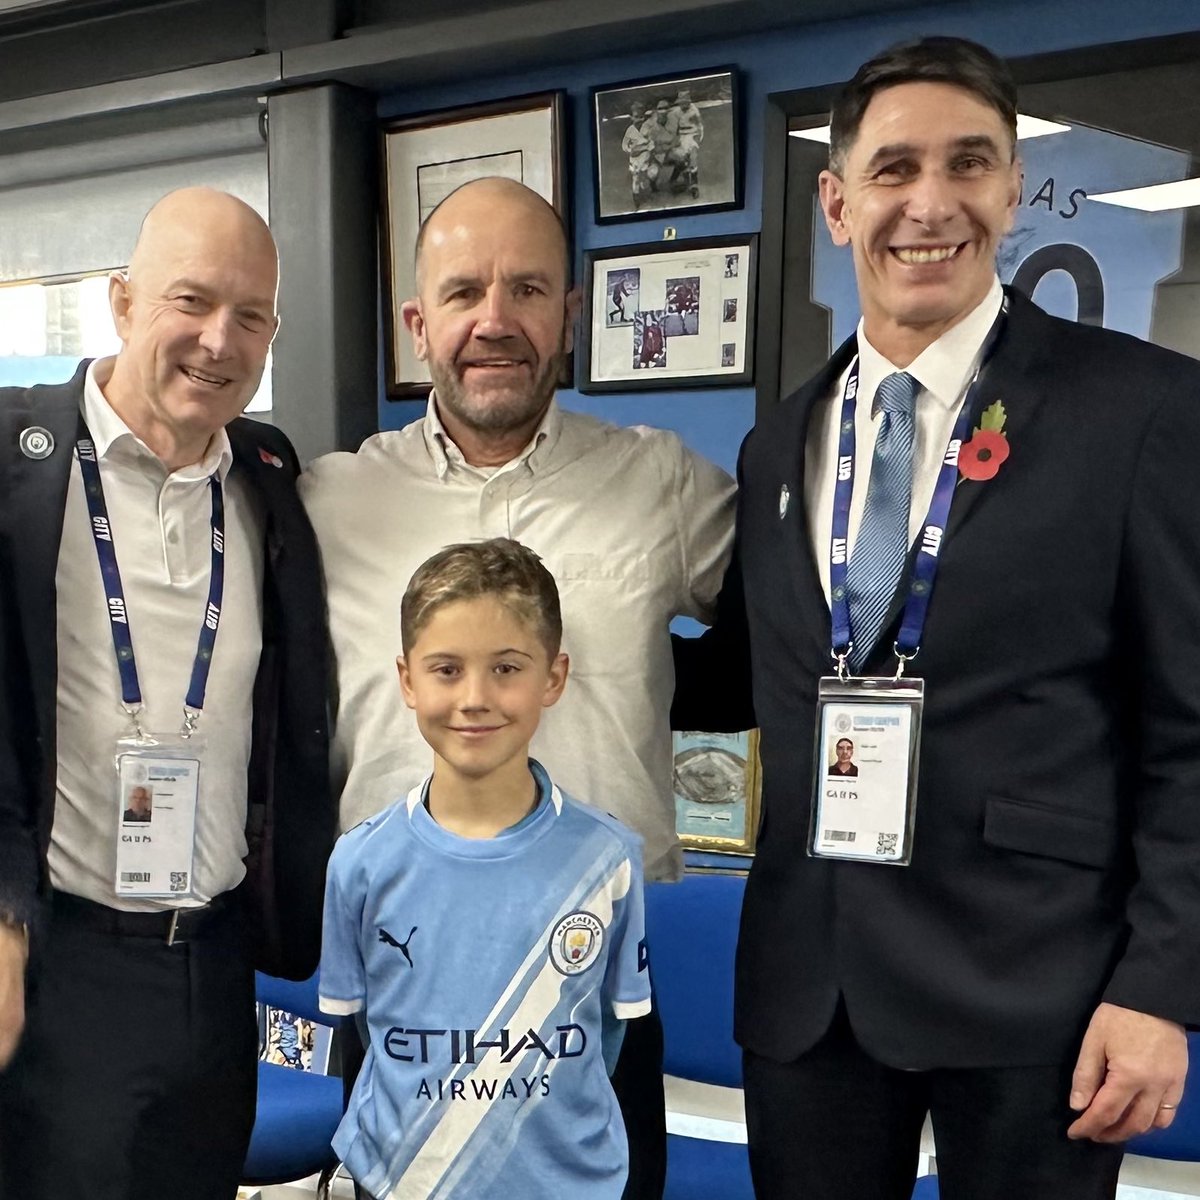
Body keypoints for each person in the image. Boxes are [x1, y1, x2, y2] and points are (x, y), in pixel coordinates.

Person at [673, 36, 1200, 1200]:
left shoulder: (1142, 413)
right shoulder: (781, 443)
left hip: (1038, 987)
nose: (930, 202)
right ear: (837, 201)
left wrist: (1161, 986)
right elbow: (749, 673)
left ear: (1012, 189)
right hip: (812, 990)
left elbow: (1189, 732)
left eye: (970, 164)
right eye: (895, 169)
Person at [300, 175, 735, 1200]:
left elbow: (812, 627)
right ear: (416, 325)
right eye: (462, 294)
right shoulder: (330, 502)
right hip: (401, 975)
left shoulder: (661, 483)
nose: (494, 321)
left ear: (570, 316)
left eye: (528, 290)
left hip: (593, 972)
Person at [0, 186, 334, 1200]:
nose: (217, 340)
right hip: (62, 966)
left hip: (218, 966)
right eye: (189, 301)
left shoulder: (269, 477)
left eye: (252, 315)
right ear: (120, 302)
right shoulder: (15, 465)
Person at [319, 538, 650, 1200]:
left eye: (506, 668)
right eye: (446, 669)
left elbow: (612, 1042)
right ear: (407, 680)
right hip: (402, 1183)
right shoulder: (360, 861)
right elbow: (366, 1038)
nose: (474, 698)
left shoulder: (607, 858)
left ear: (553, 678)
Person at [668, 88, 704, 198]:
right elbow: (672, 127)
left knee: (693, 158)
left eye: (685, 102)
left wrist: (698, 138)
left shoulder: (694, 111)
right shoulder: (676, 112)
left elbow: (700, 126)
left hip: (692, 136)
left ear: (689, 102)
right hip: (681, 137)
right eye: (681, 102)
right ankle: (674, 179)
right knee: (681, 159)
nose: (683, 104)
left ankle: (694, 184)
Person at [620, 100, 654, 210]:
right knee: (636, 178)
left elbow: (651, 143)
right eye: (636, 117)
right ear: (632, 117)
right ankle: (636, 198)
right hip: (635, 158)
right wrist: (632, 149)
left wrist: (644, 148)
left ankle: (646, 191)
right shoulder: (630, 130)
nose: (638, 120)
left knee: (644, 176)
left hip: (645, 157)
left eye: (641, 117)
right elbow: (624, 146)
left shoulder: (647, 127)